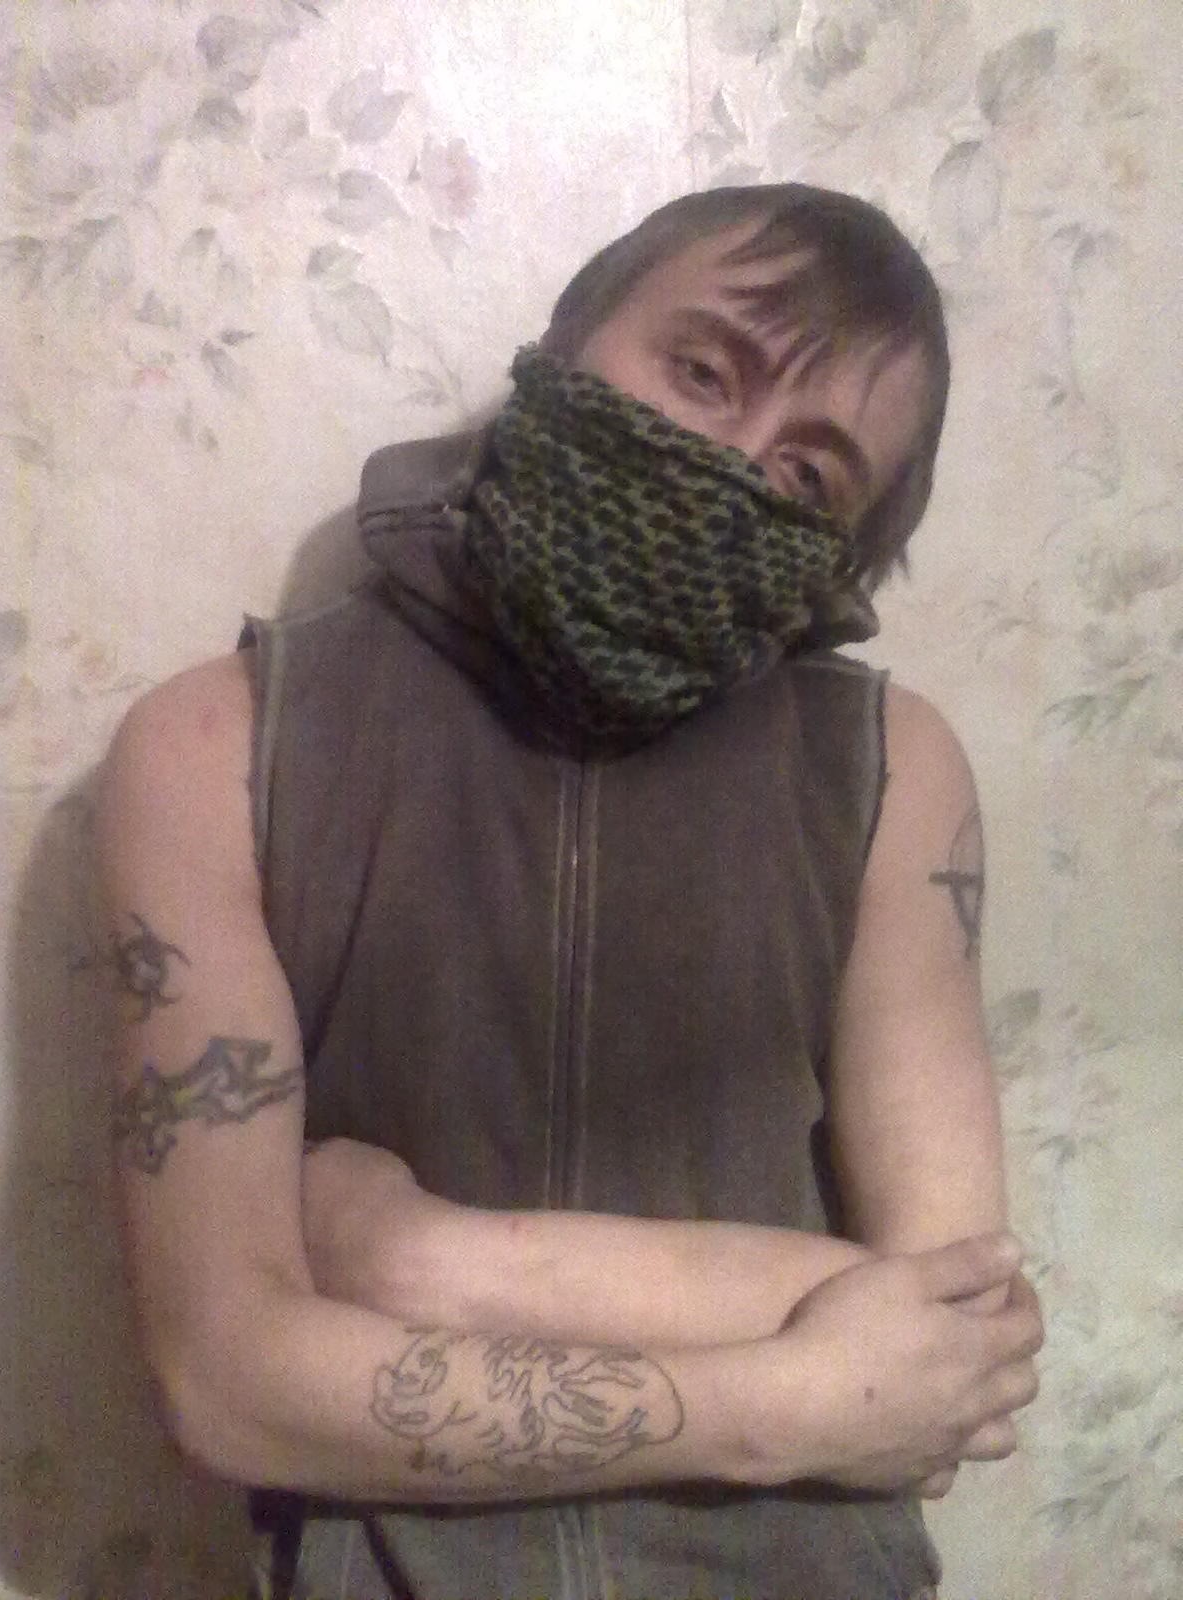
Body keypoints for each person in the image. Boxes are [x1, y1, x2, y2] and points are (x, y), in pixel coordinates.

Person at [98, 185, 1043, 1600]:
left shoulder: (891, 772)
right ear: (569, 340)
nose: (726, 465)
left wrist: (431, 1263)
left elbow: (955, 1330)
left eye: (808, 477)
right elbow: (228, 1383)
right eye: (702, 372)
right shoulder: (216, 747)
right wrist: (790, 1397)